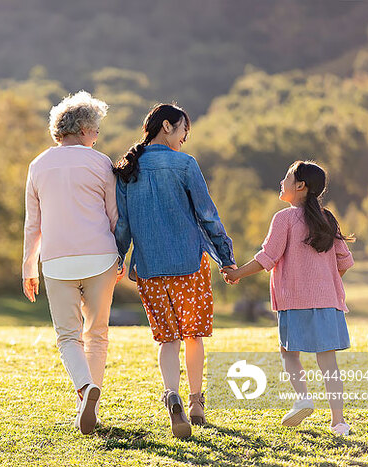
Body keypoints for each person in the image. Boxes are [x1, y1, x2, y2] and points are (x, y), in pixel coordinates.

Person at [113, 103, 236, 439]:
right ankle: (196, 402)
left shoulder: (127, 169)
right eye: (184, 130)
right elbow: (208, 215)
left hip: (150, 269)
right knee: (193, 335)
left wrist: (119, 259)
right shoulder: (185, 164)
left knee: (167, 339)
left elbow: (123, 225)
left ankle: (172, 396)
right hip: (188, 264)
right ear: (167, 126)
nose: (184, 138)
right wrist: (226, 256)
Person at [222, 160, 355, 436]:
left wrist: (237, 274)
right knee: (328, 361)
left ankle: (303, 398)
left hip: (294, 302)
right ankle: (339, 422)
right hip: (327, 303)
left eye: (286, 177)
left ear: (300, 186)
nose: (281, 182)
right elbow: (345, 260)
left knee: (288, 354)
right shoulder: (327, 218)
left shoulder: (284, 218)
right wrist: (326, 287)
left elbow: (266, 258)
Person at [22, 91, 125, 435]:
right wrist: (120, 255)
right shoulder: (101, 163)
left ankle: (84, 392)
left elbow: (32, 225)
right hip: (101, 257)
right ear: (82, 129)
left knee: (68, 336)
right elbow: (114, 217)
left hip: (56, 261)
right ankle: (88, 401)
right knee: (97, 334)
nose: (97, 136)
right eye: (95, 129)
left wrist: (28, 268)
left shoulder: (37, 165)